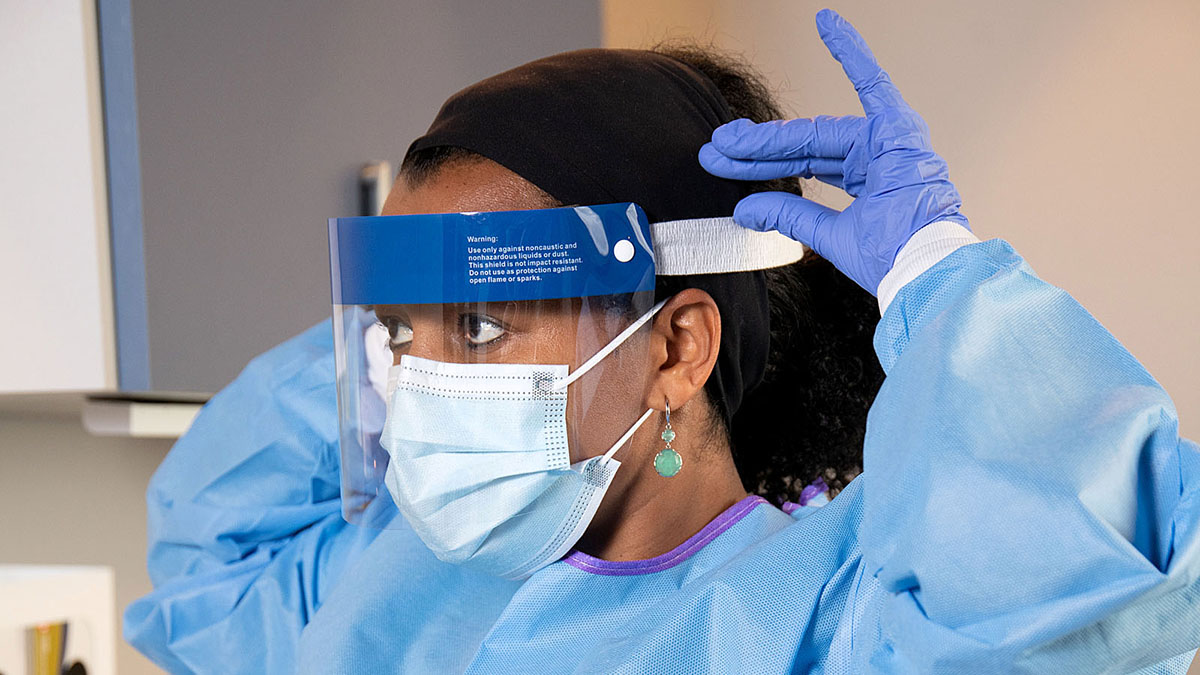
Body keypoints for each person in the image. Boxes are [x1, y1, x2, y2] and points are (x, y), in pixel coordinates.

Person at [124, 9, 1200, 674]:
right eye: (399, 338)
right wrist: (411, 300)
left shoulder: (833, 613)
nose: (416, 386)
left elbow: (1079, 612)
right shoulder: (389, 579)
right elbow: (206, 561)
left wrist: (944, 282)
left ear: (678, 346)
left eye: (485, 326)